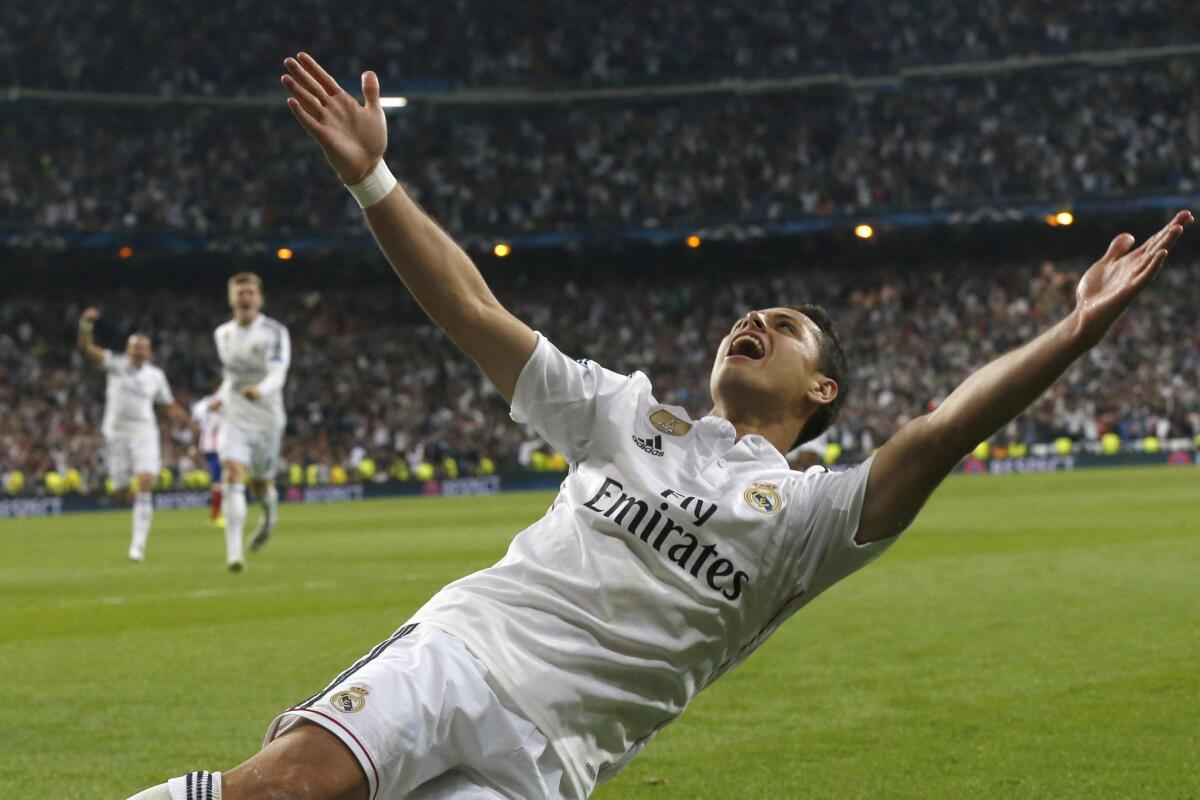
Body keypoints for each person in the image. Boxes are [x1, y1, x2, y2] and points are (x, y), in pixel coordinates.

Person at [125, 53, 1193, 800]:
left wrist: (1077, 326)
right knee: (287, 787)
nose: (751, 323)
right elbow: (472, 307)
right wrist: (372, 175)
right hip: (462, 654)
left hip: (553, 760)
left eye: (781, 327)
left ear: (823, 392)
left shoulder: (816, 516)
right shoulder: (624, 412)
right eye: (748, 316)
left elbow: (946, 424)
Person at [77, 307, 195, 562]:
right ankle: (138, 511)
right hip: (116, 434)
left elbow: (168, 405)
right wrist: (86, 325)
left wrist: (191, 425)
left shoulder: (156, 376)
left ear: (149, 352)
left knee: (144, 484)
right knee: (120, 489)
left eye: (144, 347)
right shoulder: (115, 364)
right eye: (135, 347)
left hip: (144, 434)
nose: (140, 351)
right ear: (128, 350)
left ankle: (138, 545)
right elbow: (87, 349)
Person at [214, 272, 291, 571]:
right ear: (231, 298)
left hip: (267, 416)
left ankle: (269, 517)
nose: (244, 298)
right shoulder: (222, 334)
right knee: (232, 472)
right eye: (239, 293)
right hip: (234, 414)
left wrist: (261, 390)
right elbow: (231, 377)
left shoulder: (274, 332)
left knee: (260, 486)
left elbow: (278, 373)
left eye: (250, 293)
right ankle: (234, 553)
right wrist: (220, 396)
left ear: (259, 298)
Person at [190, 393, 225, 527]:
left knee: (221, 482)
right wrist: (193, 446)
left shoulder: (201, 406)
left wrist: (193, 445)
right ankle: (216, 515)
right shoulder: (207, 406)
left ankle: (218, 513)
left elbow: (195, 424)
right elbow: (196, 425)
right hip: (215, 448)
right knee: (218, 482)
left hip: (212, 447)